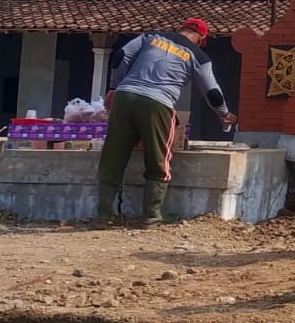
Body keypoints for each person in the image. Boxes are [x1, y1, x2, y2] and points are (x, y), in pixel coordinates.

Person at [97, 17, 237, 225]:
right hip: (158, 103)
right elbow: (212, 91)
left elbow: (121, 56)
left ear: (180, 29)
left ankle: (103, 216)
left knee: (113, 155)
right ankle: (151, 215)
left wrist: (114, 87)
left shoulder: (151, 36)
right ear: (201, 40)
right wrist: (223, 113)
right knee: (159, 159)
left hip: (124, 97)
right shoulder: (198, 55)